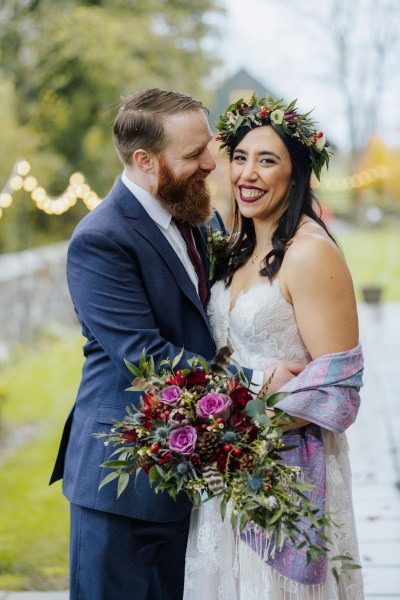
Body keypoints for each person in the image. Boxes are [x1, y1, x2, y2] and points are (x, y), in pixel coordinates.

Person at [49, 88, 301, 600]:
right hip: (122, 480)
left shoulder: (198, 216)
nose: (212, 164)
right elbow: (147, 357)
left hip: (193, 473)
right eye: (193, 156)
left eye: (208, 147)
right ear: (144, 160)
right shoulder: (101, 239)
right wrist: (253, 381)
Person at [184, 95, 364, 599]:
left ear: (297, 173)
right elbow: (222, 347)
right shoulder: (232, 247)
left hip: (288, 467)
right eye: (240, 157)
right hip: (226, 463)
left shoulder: (310, 254)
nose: (248, 173)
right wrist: (221, 413)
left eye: (267, 160)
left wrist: (247, 416)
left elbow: (339, 386)